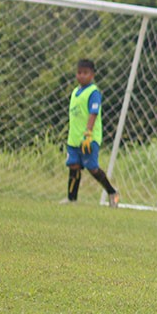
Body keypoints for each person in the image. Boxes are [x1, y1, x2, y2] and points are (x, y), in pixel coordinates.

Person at [63, 59, 119, 207]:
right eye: (79, 72)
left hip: (89, 138)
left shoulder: (93, 92)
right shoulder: (75, 91)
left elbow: (93, 113)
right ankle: (71, 199)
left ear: (92, 75)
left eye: (85, 73)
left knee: (92, 168)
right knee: (73, 166)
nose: (82, 76)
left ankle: (112, 192)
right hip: (74, 139)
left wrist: (88, 133)